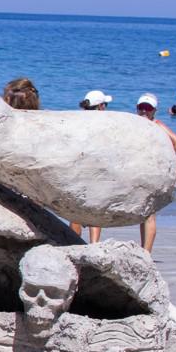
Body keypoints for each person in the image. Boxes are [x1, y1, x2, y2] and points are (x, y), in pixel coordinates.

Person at [135, 93, 176, 254]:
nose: (144, 111)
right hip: (139, 173)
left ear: (154, 110)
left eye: (147, 108)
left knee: (149, 214)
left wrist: (163, 162)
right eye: (141, 107)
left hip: (152, 175)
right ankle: (144, 251)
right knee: (143, 213)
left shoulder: (157, 124)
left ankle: (147, 253)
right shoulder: (135, 124)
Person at [72, 90, 112, 242]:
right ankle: (94, 245)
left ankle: (74, 243)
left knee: (75, 209)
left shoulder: (78, 120)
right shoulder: (104, 123)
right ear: (101, 106)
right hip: (97, 169)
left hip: (77, 168)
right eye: (106, 105)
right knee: (96, 208)